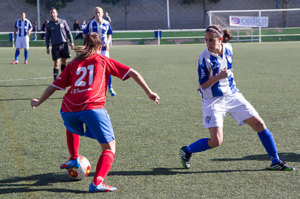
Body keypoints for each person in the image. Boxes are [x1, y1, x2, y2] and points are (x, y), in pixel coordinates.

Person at [30, 32, 160, 192]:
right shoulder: (103, 60)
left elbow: (54, 86)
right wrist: (149, 93)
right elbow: (133, 72)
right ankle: (97, 182)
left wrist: (38, 101)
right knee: (109, 148)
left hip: (67, 109)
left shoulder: (73, 63)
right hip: (92, 108)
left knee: (71, 126)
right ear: (100, 46)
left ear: (85, 44)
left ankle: (73, 158)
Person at [180, 25, 295, 171]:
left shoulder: (229, 48)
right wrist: (217, 78)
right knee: (216, 141)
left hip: (233, 95)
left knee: (259, 124)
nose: (208, 44)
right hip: (213, 101)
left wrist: (218, 78)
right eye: (206, 40)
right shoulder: (204, 58)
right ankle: (187, 150)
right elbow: (203, 85)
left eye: (211, 40)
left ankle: (276, 161)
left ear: (220, 40)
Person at [83, 7, 116, 96]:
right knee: (92, 68)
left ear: (102, 13)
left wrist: (108, 43)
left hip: (104, 49)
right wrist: (88, 43)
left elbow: (109, 34)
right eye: (96, 12)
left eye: (99, 12)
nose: (97, 14)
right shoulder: (90, 23)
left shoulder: (106, 23)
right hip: (94, 49)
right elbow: (84, 33)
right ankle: (91, 88)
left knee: (107, 68)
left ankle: (110, 87)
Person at [45, 8, 74, 80]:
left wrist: (71, 42)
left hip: (64, 44)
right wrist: (47, 47)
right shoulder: (48, 25)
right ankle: (55, 80)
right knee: (56, 63)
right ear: (49, 14)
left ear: (57, 13)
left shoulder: (63, 21)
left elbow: (68, 32)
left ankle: (64, 78)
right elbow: (47, 37)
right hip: (55, 46)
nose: (52, 14)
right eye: (51, 13)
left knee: (64, 62)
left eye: (54, 13)